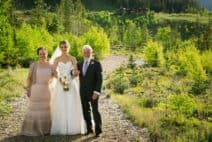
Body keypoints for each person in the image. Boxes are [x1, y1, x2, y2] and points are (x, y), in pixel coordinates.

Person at [50, 40, 86, 135]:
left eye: (65, 47)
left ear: (68, 47)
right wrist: (60, 80)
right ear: (60, 48)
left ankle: (73, 127)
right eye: (62, 47)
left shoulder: (72, 58)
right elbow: (53, 72)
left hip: (71, 82)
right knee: (60, 103)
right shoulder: (57, 59)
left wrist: (70, 79)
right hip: (60, 83)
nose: (64, 48)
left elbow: (76, 72)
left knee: (72, 103)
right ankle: (61, 127)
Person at [22, 47, 53, 136]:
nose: (42, 55)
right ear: (38, 55)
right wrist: (28, 89)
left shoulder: (51, 65)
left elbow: (56, 75)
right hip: (36, 89)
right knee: (35, 109)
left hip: (47, 90)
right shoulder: (34, 65)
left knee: (46, 110)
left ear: (47, 54)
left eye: (44, 53)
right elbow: (29, 78)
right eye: (40, 54)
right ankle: (33, 129)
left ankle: (45, 129)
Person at [77, 45, 103, 137]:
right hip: (83, 92)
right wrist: (72, 73)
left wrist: (96, 92)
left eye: (88, 52)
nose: (86, 54)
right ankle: (89, 129)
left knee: (95, 111)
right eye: (85, 52)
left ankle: (98, 131)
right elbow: (73, 72)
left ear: (91, 53)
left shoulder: (96, 63)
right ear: (82, 53)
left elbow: (99, 79)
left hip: (93, 93)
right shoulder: (79, 64)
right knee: (85, 111)